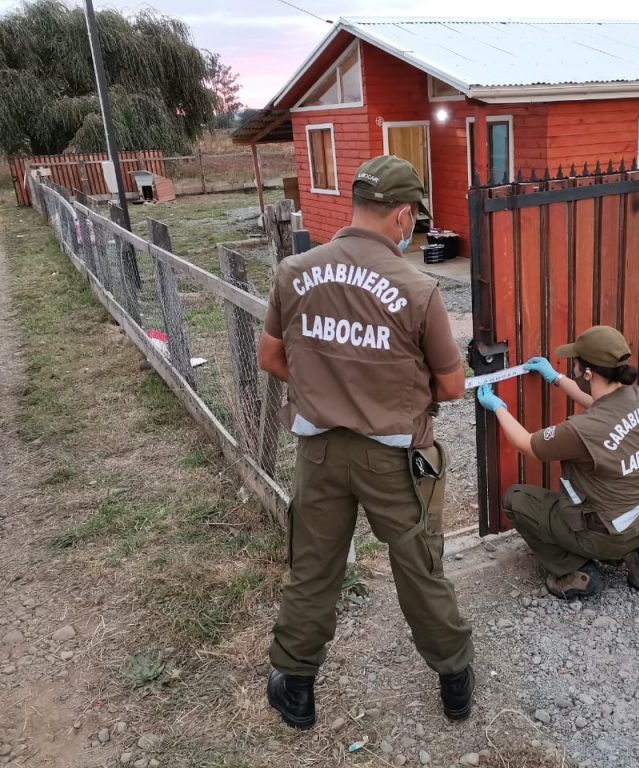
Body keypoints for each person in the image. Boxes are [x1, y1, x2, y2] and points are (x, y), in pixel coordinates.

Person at [257, 155, 474, 730]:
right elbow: (451, 386)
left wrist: (323, 385)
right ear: (401, 215)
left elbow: (271, 358)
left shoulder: (294, 270)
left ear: (356, 206)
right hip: (395, 459)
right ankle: (454, 680)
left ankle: (296, 687)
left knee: (313, 568)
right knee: (419, 567)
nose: (414, 230)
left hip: (319, 452)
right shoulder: (418, 288)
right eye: (414, 220)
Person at [476, 325, 639, 600]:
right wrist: (557, 379)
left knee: (515, 499)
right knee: (616, 507)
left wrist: (497, 407)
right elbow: (606, 411)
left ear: (587, 373)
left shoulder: (580, 431)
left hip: (605, 533)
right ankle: (632, 552)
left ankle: (575, 571)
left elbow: (526, 443)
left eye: (575, 363)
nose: (573, 365)